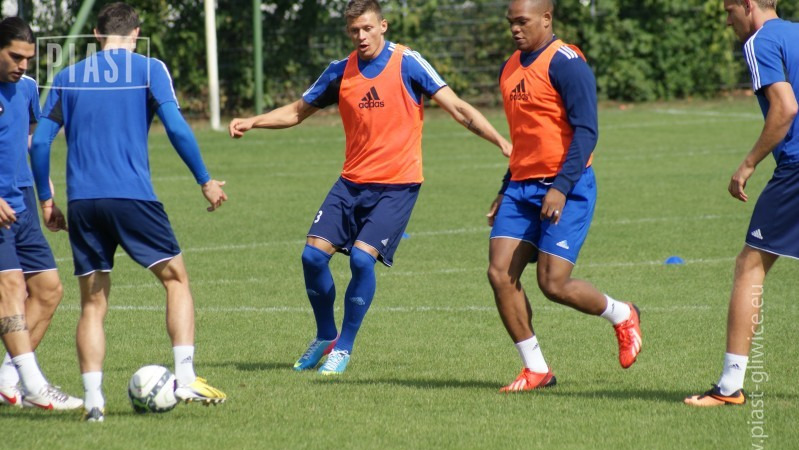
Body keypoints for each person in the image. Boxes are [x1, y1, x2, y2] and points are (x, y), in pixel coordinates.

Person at [229, 0, 512, 376]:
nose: (361, 36)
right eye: (354, 31)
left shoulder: (408, 63)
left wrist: (501, 142)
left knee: (362, 260)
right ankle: (325, 336)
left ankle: (344, 347)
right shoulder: (339, 71)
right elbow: (297, 111)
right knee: (312, 257)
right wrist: (254, 120)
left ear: (383, 26)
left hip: (398, 186)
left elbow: (457, 107)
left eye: (367, 28)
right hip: (351, 183)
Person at [30, 2, 228, 422]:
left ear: (96, 36)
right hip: (132, 197)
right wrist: (205, 180)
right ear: (136, 33)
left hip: (83, 203)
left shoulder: (67, 76)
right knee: (176, 279)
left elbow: (42, 142)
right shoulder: (150, 69)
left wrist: (47, 200)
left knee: (92, 304)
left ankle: (94, 402)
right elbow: (176, 127)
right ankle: (185, 377)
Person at [486, 0, 642, 392]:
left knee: (553, 284)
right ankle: (536, 369)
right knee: (500, 274)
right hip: (521, 187)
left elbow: (587, 130)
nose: (515, 29)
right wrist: (505, 188)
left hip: (566, 186)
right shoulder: (509, 67)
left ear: (546, 18)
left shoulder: (567, 63)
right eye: (510, 22)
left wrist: (560, 187)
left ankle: (622, 314)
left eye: (522, 21)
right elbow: (525, 137)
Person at [685, 0, 798, 407]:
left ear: (748, 5)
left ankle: (729, 387)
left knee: (750, 265)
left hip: (797, 167)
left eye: (729, 10)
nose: (728, 20)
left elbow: (785, 108)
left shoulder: (759, 41)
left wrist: (748, 164)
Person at [0, 17, 82, 410]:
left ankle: (6, 381)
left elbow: (30, 141)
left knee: (48, 290)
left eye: (28, 59)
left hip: (25, 204)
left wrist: (47, 198)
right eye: (15, 57)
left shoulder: (29, 88)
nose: (23, 66)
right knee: (11, 288)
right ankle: (34, 385)